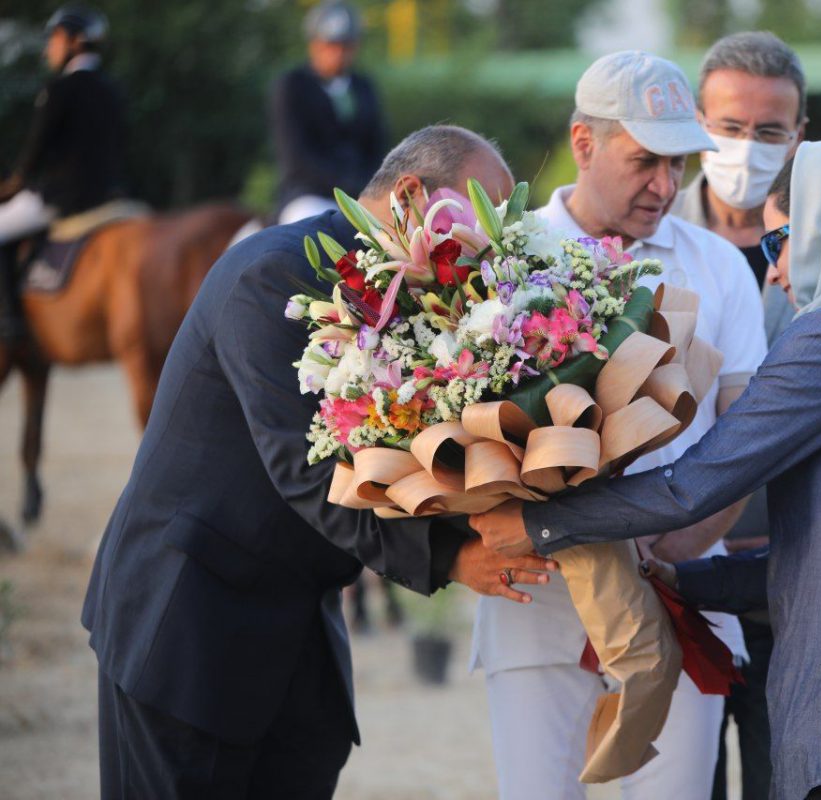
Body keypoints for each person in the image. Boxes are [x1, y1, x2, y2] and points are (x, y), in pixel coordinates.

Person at [472, 140, 821, 800]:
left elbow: (695, 481)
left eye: (778, 246)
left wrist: (538, 522)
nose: (773, 274)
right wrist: (679, 580)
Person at [81, 125, 555, 800]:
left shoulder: (425, 296)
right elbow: (302, 468)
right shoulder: (271, 276)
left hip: (295, 632)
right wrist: (449, 554)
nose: (490, 244)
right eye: (480, 216)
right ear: (411, 194)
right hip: (189, 622)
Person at [468, 50, 767, 800]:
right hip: (537, 601)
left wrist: (681, 547)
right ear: (582, 143)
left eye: (680, 165)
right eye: (644, 161)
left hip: (679, 596)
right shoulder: (504, 256)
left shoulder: (721, 268)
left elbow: (747, 434)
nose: (666, 186)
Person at [669, 30, 806, 800]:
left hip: (788, 578)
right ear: (696, 122)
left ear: (800, 136)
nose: (746, 149)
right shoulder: (646, 245)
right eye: (728, 127)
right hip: (675, 575)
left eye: (768, 133)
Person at [0, 5, 125, 342]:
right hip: (110, 196)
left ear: (74, 42)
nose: (48, 48)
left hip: (63, 198)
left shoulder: (60, 89)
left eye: (54, 39)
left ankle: (9, 320)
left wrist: (13, 184)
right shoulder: (111, 89)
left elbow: (35, 152)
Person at [270, 0, 385, 225]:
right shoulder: (292, 85)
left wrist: (371, 187)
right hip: (308, 194)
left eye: (346, 46)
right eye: (331, 45)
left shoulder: (364, 87)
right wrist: (349, 184)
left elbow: (377, 145)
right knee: (309, 226)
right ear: (314, 44)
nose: (339, 54)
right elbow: (297, 157)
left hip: (362, 195)